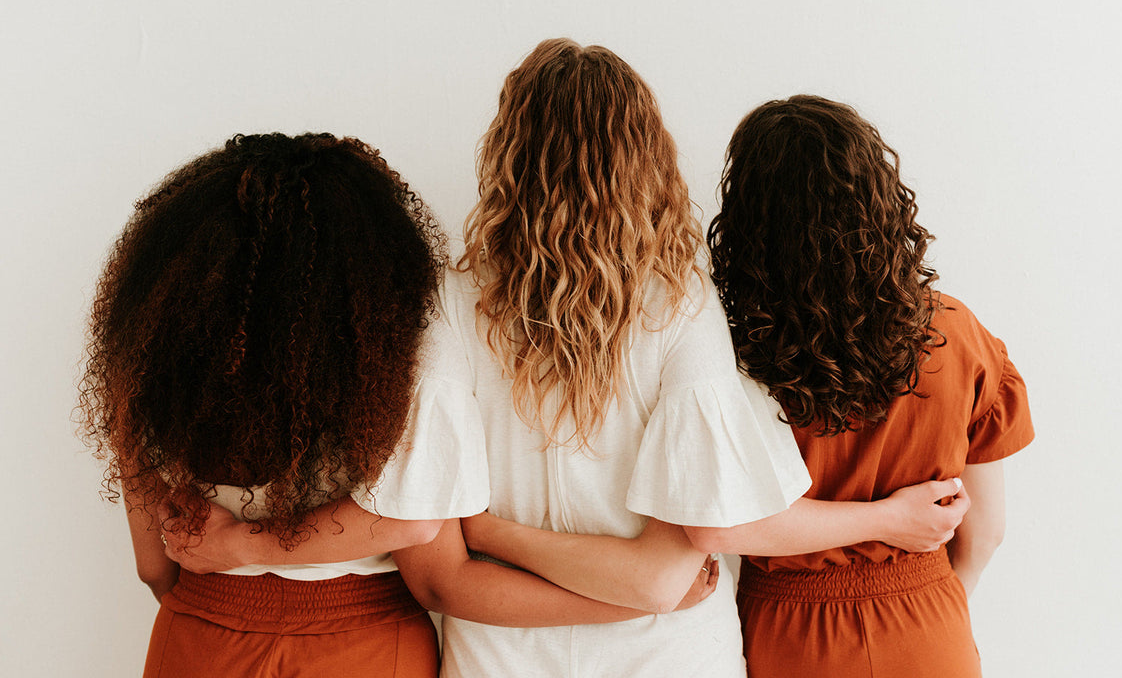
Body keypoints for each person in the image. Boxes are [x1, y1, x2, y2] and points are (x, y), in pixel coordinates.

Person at [164, 43, 967, 677]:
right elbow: (663, 581)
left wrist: (490, 528)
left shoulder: (448, 307)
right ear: (647, 159)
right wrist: (636, 599)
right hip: (675, 661)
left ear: (506, 158)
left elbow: (444, 578)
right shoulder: (682, 305)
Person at [76, 133, 484, 677]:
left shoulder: (153, 352)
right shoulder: (403, 349)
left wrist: (224, 573)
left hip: (202, 628)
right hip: (360, 642)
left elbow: (154, 566)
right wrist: (251, 548)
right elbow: (411, 522)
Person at [701, 96, 1034, 677]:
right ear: (879, 202)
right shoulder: (958, 334)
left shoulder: (732, 357)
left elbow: (716, 519)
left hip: (786, 634)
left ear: (750, 225)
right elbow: (986, 532)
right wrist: (933, 595)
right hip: (929, 621)